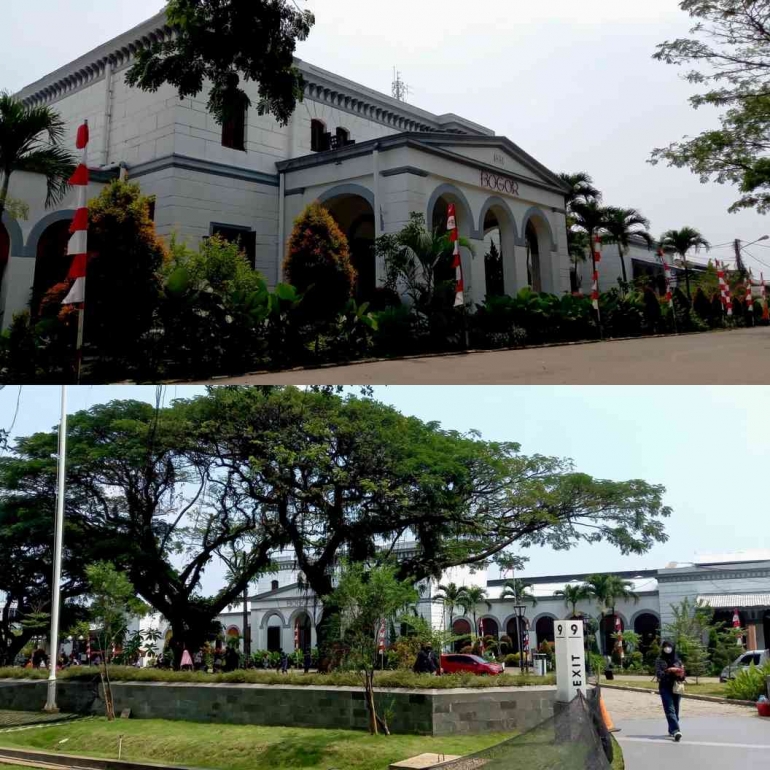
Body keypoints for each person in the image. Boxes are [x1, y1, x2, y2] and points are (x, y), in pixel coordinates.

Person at [655, 639, 685, 741]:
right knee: (670, 709)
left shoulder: (678, 660)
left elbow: (682, 677)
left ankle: (671, 729)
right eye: (665, 646)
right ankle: (676, 731)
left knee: (675, 710)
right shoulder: (659, 660)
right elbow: (659, 674)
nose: (667, 648)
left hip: (676, 687)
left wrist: (680, 673)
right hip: (665, 687)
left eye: (669, 646)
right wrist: (669, 670)